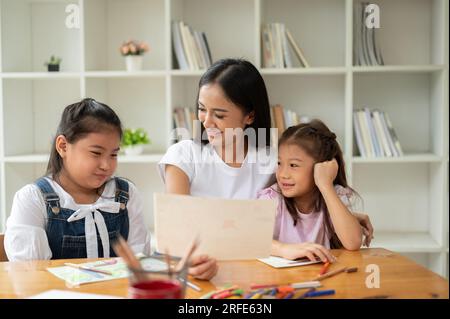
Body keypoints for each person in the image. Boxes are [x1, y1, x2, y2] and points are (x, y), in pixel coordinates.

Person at [158, 58, 374, 279]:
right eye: (202, 109)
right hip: (197, 273)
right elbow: (178, 228)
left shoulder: (272, 159)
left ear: (250, 116)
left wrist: (344, 214)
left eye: (219, 115)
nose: (206, 122)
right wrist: (193, 265)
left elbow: (298, 198)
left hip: (254, 274)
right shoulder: (184, 156)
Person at [4, 98, 151, 261]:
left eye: (113, 154)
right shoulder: (32, 199)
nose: (106, 165)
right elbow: (30, 273)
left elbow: (139, 263)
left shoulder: (126, 194)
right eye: (96, 153)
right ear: (63, 146)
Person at [258, 120, 363, 263]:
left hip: (320, 277)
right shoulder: (272, 198)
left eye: (293, 165)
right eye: (279, 163)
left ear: (320, 167)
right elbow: (252, 240)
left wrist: (325, 185)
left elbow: (353, 242)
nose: (283, 174)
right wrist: (284, 249)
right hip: (279, 279)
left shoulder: (334, 195)